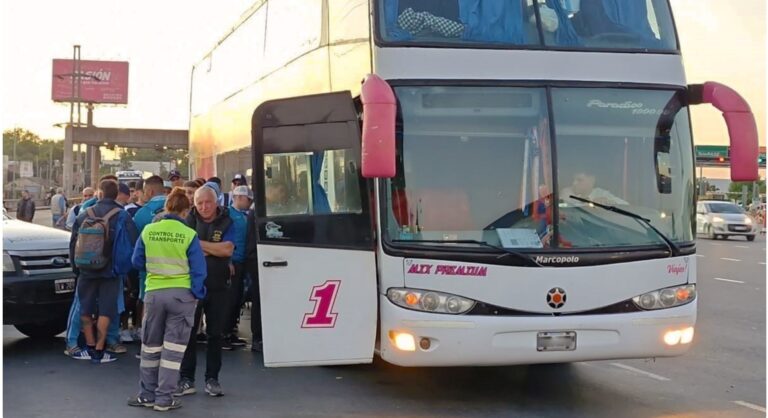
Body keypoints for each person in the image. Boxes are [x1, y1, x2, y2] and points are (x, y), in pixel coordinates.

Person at [128, 188, 207, 411]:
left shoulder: (149, 230)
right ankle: (164, 399)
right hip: (181, 296)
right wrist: (196, 293)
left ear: (166, 207)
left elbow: (136, 261)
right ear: (185, 211)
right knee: (173, 350)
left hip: (153, 294)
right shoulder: (189, 234)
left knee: (150, 346)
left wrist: (155, 272)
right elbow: (199, 270)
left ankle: (146, 395)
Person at [69, 179, 138, 364]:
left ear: (99, 193)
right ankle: (100, 350)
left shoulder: (84, 213)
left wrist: (76, 268)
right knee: (106, 311)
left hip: (85, 268)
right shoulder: (122, 215)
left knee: (85, 308)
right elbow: (133, 241)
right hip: (110, 271)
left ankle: (89, 346)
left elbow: (73, 243)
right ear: (116, 194)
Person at [176, 184, 234, 398]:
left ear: (216, 202)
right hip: (192, 286)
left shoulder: (227, 220)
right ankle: (186, 379)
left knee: (215, 334)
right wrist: (213, 249)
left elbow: (228, 249)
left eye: (208, 202)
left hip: (219, 285)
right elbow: (183, 250)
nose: (203, 207)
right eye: (199, 203)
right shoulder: (187, 219)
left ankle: (212, 379)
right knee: (188, 333)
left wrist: (198, 245)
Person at [223, 185, 251, 350]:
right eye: (248, 199)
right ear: (240, 198)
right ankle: (224, 334)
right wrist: (228, 261)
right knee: (229, 299)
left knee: (237, 298)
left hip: (241, 261)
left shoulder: (242, 216)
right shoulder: (228, 215)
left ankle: (230, 332)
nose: (249, 203)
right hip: (233, 262)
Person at [560, 172, 628, 206]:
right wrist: (588, 203)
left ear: (592, 180)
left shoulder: (601, 193)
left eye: (579, 180)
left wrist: (608, 201)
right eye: (573, 179)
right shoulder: (567, 192)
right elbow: (563, 206)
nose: (574, 183)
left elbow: (626, 205)